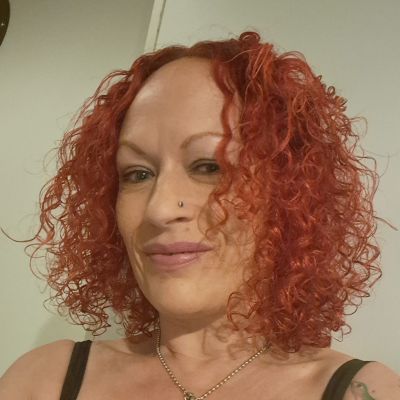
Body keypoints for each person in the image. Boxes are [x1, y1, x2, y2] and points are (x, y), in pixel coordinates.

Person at [0, 31, 398, 400]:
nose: (158, 209)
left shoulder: (360, 390)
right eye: (137, 174)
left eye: (209, 166)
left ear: (289, 191)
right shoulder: (45, 381)